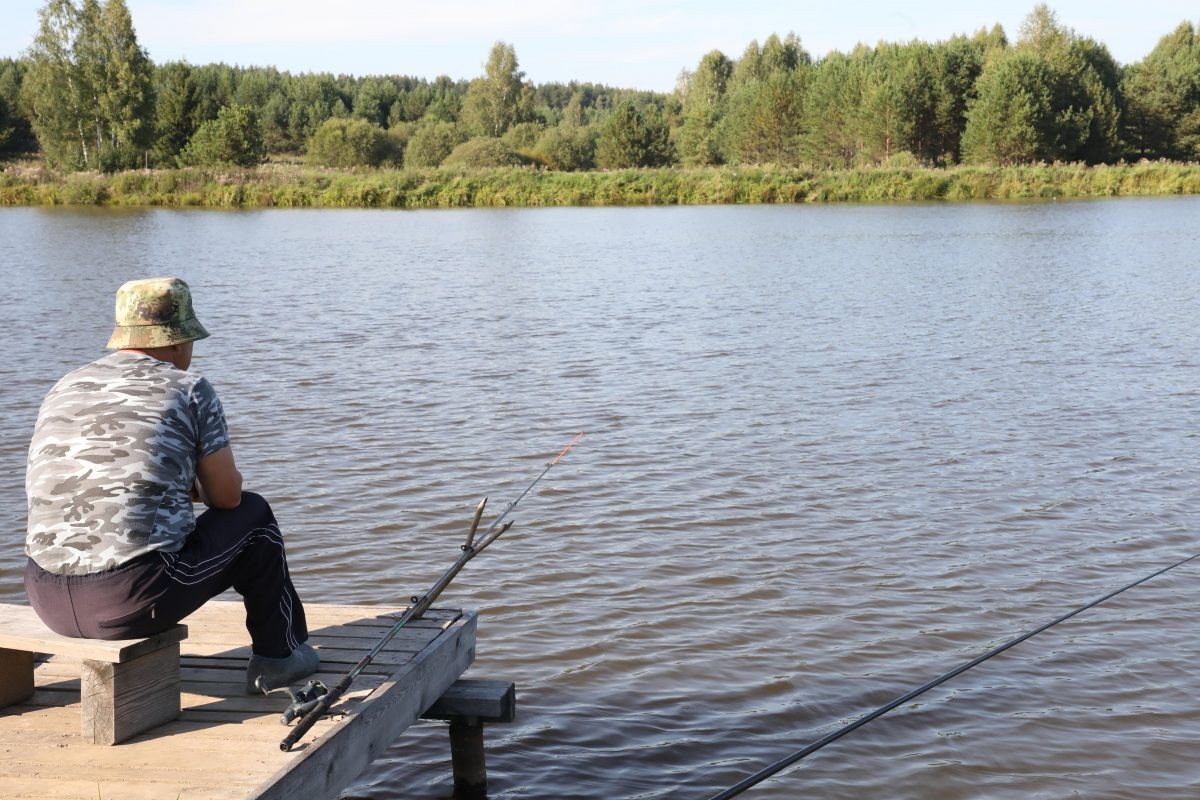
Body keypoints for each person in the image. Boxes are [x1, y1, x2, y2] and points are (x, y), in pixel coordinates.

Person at [24, 277, 317, 694]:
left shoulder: (64, 386)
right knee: (256, 517)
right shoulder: (190, 388)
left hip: (45, 598)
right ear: (178, 341)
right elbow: (227, 497)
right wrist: (198, 487)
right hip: (129, 601)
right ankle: (279, 656)